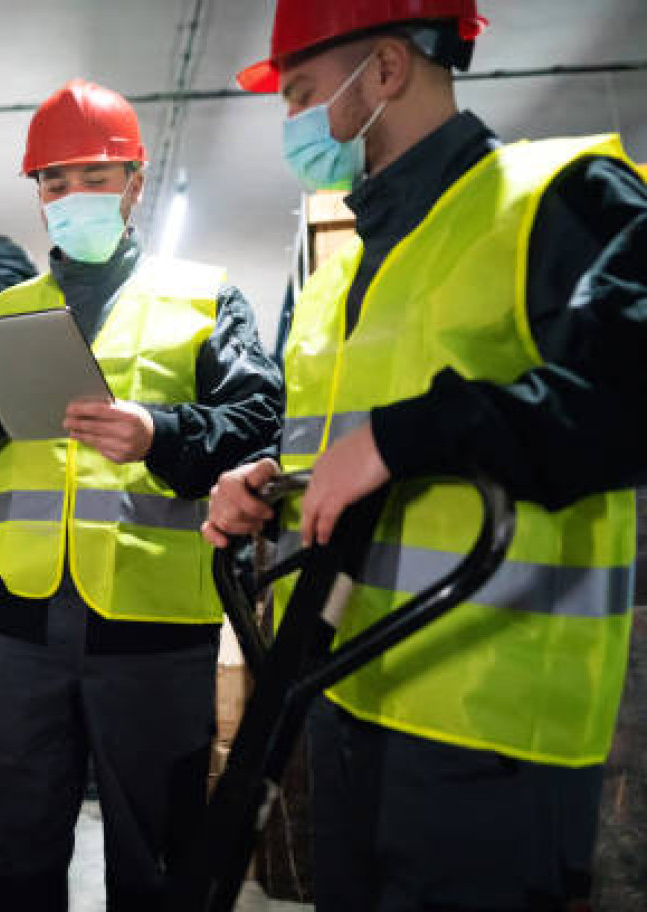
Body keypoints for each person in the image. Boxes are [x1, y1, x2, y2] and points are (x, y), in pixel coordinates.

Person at [206, 1, 647, 907]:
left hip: (489, 729)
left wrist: (413, 432)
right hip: (342, 698)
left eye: (300, 92)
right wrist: (267, 485)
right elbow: (340, 454)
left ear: (387, 70)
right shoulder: (334, 282)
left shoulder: (557, 197)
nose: (290, 122)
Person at [0, 78, 282, 911]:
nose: (73, 196)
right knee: (14, 852)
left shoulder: (203, 296)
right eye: (54, 181)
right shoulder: (5, 310)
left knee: (157, 861)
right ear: (37, 196)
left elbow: (261, 422)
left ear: (136, 184)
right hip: (20, 632)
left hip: (152, 631)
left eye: (94, 176)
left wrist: (163, 433)